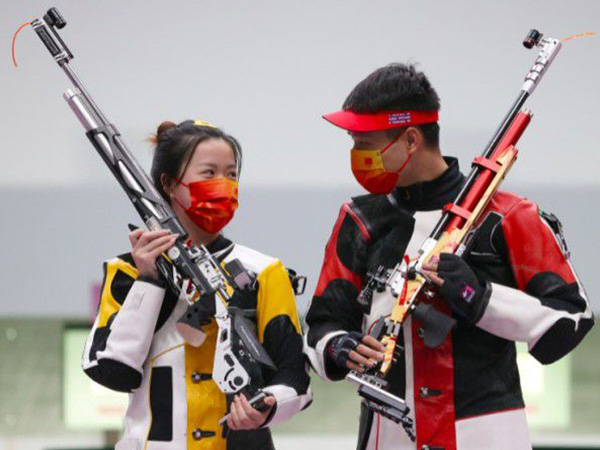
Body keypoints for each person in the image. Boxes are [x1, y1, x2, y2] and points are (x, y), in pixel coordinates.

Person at [304, 63, 594, 450]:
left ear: (410, 139)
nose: (357, 155)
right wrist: (340, 347)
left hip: (486, 436)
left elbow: (572, 320)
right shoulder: (359, 220)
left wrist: (481, 297)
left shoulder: (509, 216)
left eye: (365, 144)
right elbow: (321, 326)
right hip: (387, 434)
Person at [83, 120, 311, 450]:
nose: (224, 184)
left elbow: (297, 379)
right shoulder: (127, 271)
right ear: (169, 184)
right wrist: (149, 280)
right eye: (209, 173)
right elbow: (113, 370)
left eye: (231, 174)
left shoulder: (264, 271)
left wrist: (268, 404)